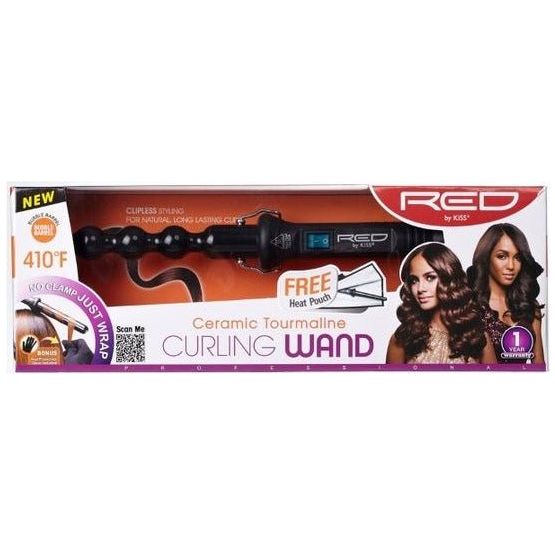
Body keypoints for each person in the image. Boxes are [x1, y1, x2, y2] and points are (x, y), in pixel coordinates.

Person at [387, 243, 496, 364]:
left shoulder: (476, 337)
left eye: (430, 278)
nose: (420, 289)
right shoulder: (403, 338)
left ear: (449, 279)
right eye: (414, 280)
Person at [466, 223, 544, 363]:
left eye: (518, 258)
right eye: (502, 256)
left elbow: (538, 365)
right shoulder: (471, 307)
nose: (511, 266)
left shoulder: (529, 306)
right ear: (486, 257)